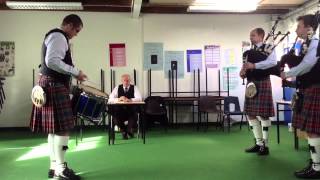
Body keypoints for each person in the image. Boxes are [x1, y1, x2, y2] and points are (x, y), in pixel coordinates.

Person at [30, 14, 86, 180]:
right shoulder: (59, 36)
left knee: (54, 130)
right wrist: (76, 72)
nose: (76, 33)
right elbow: (53, 61)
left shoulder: (55, 36)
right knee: (63, 128)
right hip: (53, 85)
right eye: (76, 30)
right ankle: (61, 169)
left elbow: (50, 62)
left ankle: (54, 166)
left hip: (49, 84)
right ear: (68, 25)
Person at [280, 14, 320, 179]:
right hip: (308, 88)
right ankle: (315, 162)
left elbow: (308, 64)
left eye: (299, 26)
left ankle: (317, 168)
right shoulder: (305, 44)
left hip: (316, 89)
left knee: (313, 131)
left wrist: (287, 73)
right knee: (312, 131)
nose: (296, 30)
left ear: (308, 27)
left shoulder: (316, 43)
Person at [240, 27, 277, 156]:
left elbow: (272, 63)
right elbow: (245, 66)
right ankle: (258, 143)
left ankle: (265, 146)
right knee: (250, 114)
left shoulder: (268, 48)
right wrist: (243, 72)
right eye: (250, 35)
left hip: (262, 82)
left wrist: (254, 66)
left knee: (263, 115)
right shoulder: (248, 52)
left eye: (253, 35)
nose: (251, 37)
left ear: (261, 36)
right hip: (251, 83)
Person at [108, 74, 142, 139]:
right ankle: (125, 131)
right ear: (122, 81)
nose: (126, 82)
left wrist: (130, 100)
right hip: (120, 111)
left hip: (131, 111)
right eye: (124, 80)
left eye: (128, 80)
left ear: (130, 81)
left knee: (134, 115)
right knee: (115, 117)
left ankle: (127, 131)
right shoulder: (117, 87)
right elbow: (110, 98)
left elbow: (139, 98)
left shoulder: (134, 87)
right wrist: (119, 99)